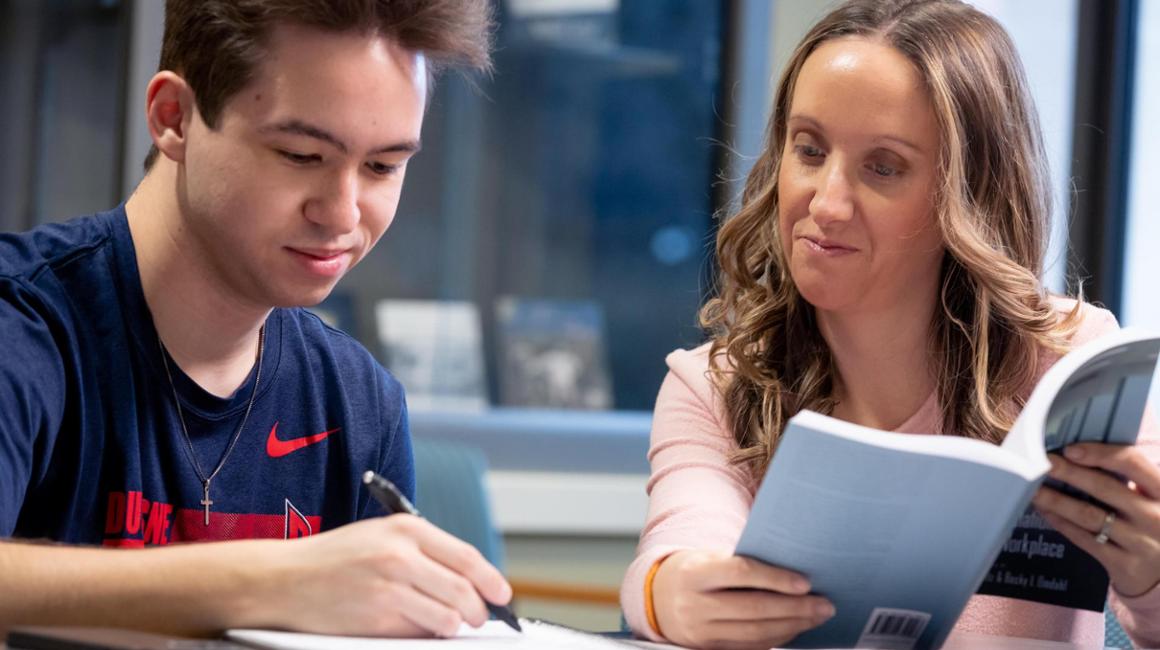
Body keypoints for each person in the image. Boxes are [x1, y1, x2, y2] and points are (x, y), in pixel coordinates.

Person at [619, 1, 1160, 648]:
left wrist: (1151, 579)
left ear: (967, 195)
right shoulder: (714, 387)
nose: (825, 202)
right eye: (810, 149)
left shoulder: (1069, 363)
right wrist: (668, 593)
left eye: (883, 167)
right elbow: (676, 546)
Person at [0, 0, 513, 639]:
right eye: (301, 155)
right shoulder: (23, 325)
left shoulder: (358, 403)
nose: (344, 214)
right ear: (175, 118)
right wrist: (274, 581)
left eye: (382, 166)